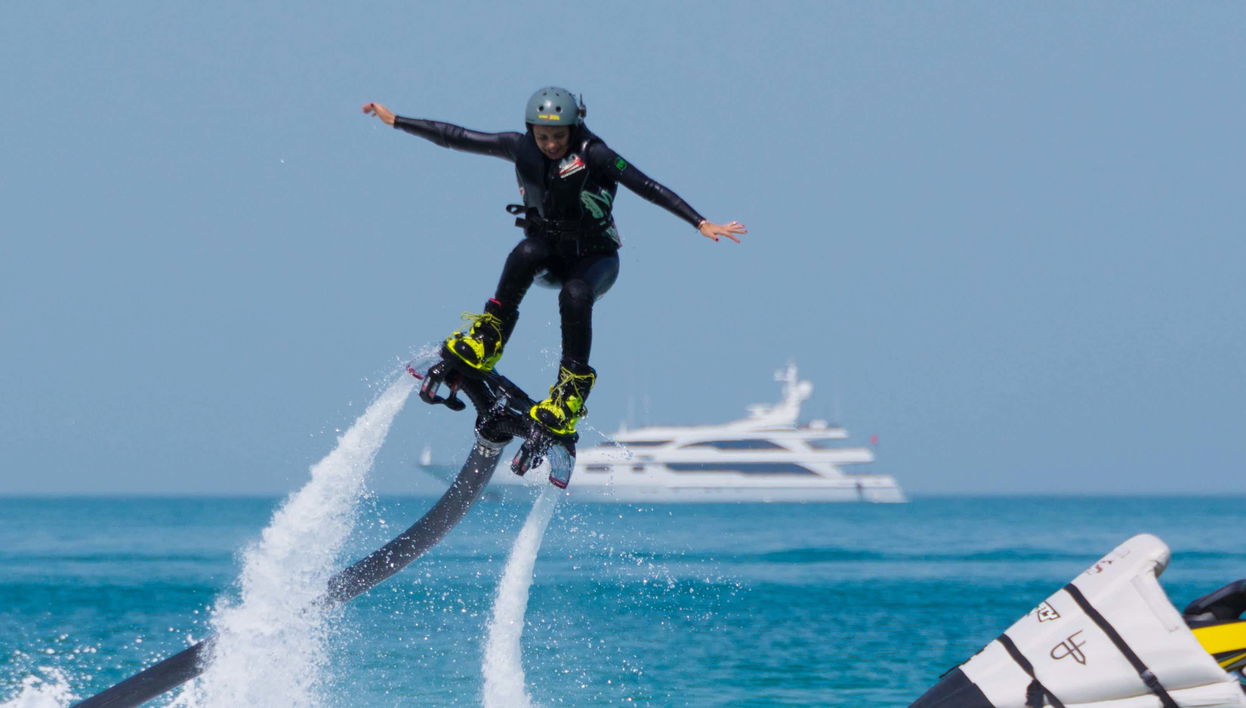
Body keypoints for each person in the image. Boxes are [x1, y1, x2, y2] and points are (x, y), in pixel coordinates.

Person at [362, 87, 746, 436]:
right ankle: (489, 337)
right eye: (542, 136)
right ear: (531, 130)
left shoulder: (596, 154)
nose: (550, 144)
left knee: (576, 295)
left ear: (574, 127)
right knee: (526, 250)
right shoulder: (519, 145)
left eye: (558, 136)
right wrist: (396, 120)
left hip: (596, 261)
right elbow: (455, 136)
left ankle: (569, 393)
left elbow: (647, 186)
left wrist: (700, 222)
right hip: (548, 256)